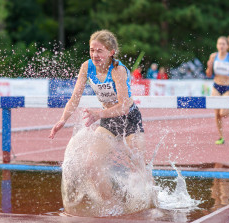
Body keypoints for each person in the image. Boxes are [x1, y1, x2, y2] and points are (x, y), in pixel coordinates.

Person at [49, 30, 154, 216]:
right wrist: (62, 120)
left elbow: (123, 107)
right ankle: (112, 204)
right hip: (108, 120)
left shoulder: (117, 70)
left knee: (138, 165)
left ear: (111, 52)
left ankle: (151, 201)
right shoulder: (86, 67)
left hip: (129, 119)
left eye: (100, 51)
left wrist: (98, 113)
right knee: (91, 164)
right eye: (92, 50)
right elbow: (74, 98)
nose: (95, 55)